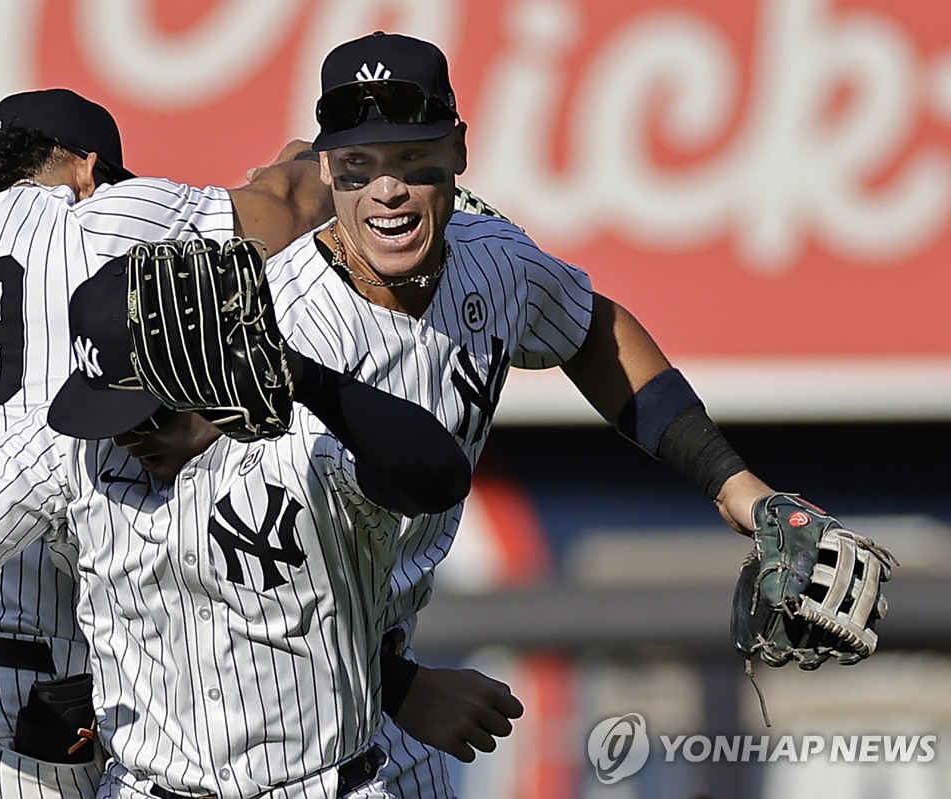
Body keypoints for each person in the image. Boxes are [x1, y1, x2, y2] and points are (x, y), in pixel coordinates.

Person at [263, 31, 779, 797]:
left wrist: (734, 483)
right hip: (251, 715)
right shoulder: (286, 327)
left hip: (379, 689)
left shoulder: (490, 257)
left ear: (460, 151)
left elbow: (591, 327)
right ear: (330, 173)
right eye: (360, 167)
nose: (388, 191)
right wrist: (401, 686)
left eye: (411, 159)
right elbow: (235, 586)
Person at [0, 87, 333, 799]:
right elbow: (288, 208)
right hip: (19, 692)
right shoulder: (101, 215)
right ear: (86, 167)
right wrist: (313, 153)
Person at [0, 253, 473, 799]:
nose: (125, 435)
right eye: (109, 414)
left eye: (145, 414)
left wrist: (305, 376)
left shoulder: (306, 443)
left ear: (204, 370)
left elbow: (439, 479)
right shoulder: (74, 451)